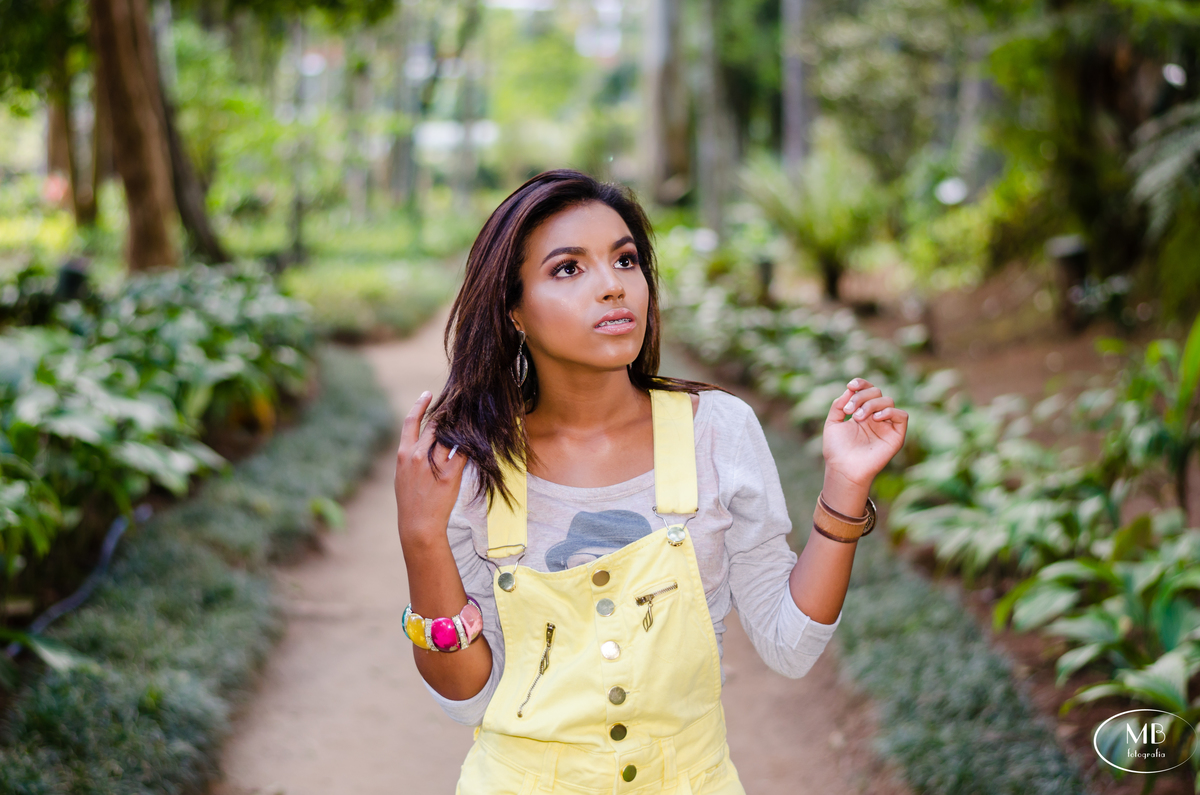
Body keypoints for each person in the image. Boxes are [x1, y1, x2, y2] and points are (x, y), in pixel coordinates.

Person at [394, 169, 908, 794]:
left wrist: (845, 487)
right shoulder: (474, 465)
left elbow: (788, 644)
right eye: (568, 269)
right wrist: (421, 538)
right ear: (514, 311)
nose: (613, 286)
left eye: (625, 260)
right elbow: (468, 698)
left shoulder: (717, 431)